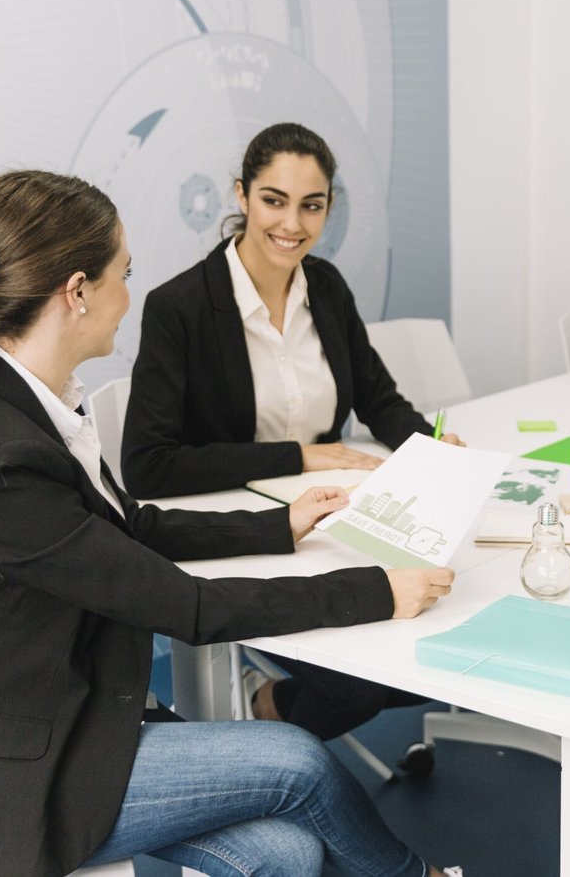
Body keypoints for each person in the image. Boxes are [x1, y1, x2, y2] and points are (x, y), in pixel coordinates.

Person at [0, 169, 461, 877]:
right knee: (298, 761)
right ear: (77, 292)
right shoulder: (7, 464)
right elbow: (186, 606)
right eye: (123, 273)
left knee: (288, 852)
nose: (130, 294)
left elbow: (125, 530)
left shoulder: (21, 401)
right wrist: (375, 590)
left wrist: (277, 527)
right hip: (3, 777)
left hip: (58, 713)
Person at [122, 122, 452, 738]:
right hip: (248, 534)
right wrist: (296, 455)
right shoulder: (181, 307)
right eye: (274, 200)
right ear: (242, 195)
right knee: (363, 685)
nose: (292, 224)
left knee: (434, 633)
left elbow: (379, 397)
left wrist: (431, 448)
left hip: (339, 522)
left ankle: (269, 707)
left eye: (312, 205)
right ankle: (269, 711)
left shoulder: (325, 288)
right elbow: (148, 463)